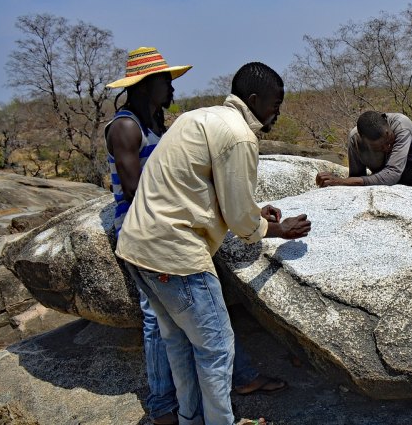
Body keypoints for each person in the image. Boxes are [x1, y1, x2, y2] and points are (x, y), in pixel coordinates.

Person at [115, 62, 311, 425]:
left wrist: (253, 210)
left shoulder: (198, 117)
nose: (277, 113)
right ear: (253, 100)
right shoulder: (239, 135)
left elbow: (203, 188)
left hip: (137, 246)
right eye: (275, 104)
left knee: (178, 343)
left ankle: (191, 419)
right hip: (176, 255)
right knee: (218, 350)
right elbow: (237, 217)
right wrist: (276, 230)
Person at [105, 46, 191, 425]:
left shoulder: (156, 123)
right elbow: (133, 188)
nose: (171, 89)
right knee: (156, 318)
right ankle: (161, 406)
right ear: (145, 85)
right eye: (165, 82)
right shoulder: (125, 126)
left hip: (165, 225)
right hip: (143, 231)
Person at [315, 111, 412, 192]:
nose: (387, 148)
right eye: (379, 147)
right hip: (381, 171)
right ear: (363, 139)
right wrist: (337, 183)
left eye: (389, 140)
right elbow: (356, 176)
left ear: (387, 128)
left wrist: (340, 181)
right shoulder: (355, 139)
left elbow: (392, 174)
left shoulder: (402, 125)